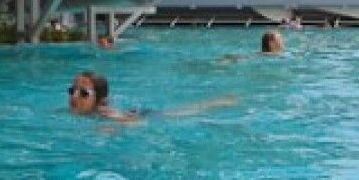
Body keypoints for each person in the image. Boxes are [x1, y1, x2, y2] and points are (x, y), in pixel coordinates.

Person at [67, 71, 235, 122]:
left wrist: (117, 125)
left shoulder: (106, 115)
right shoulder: (67, 113)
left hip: (141, 115)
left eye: (83, 93)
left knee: (181, 113)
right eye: (72, 90)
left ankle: (215, 103)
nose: (74, 97)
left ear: (101, 101)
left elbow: (134, 123)